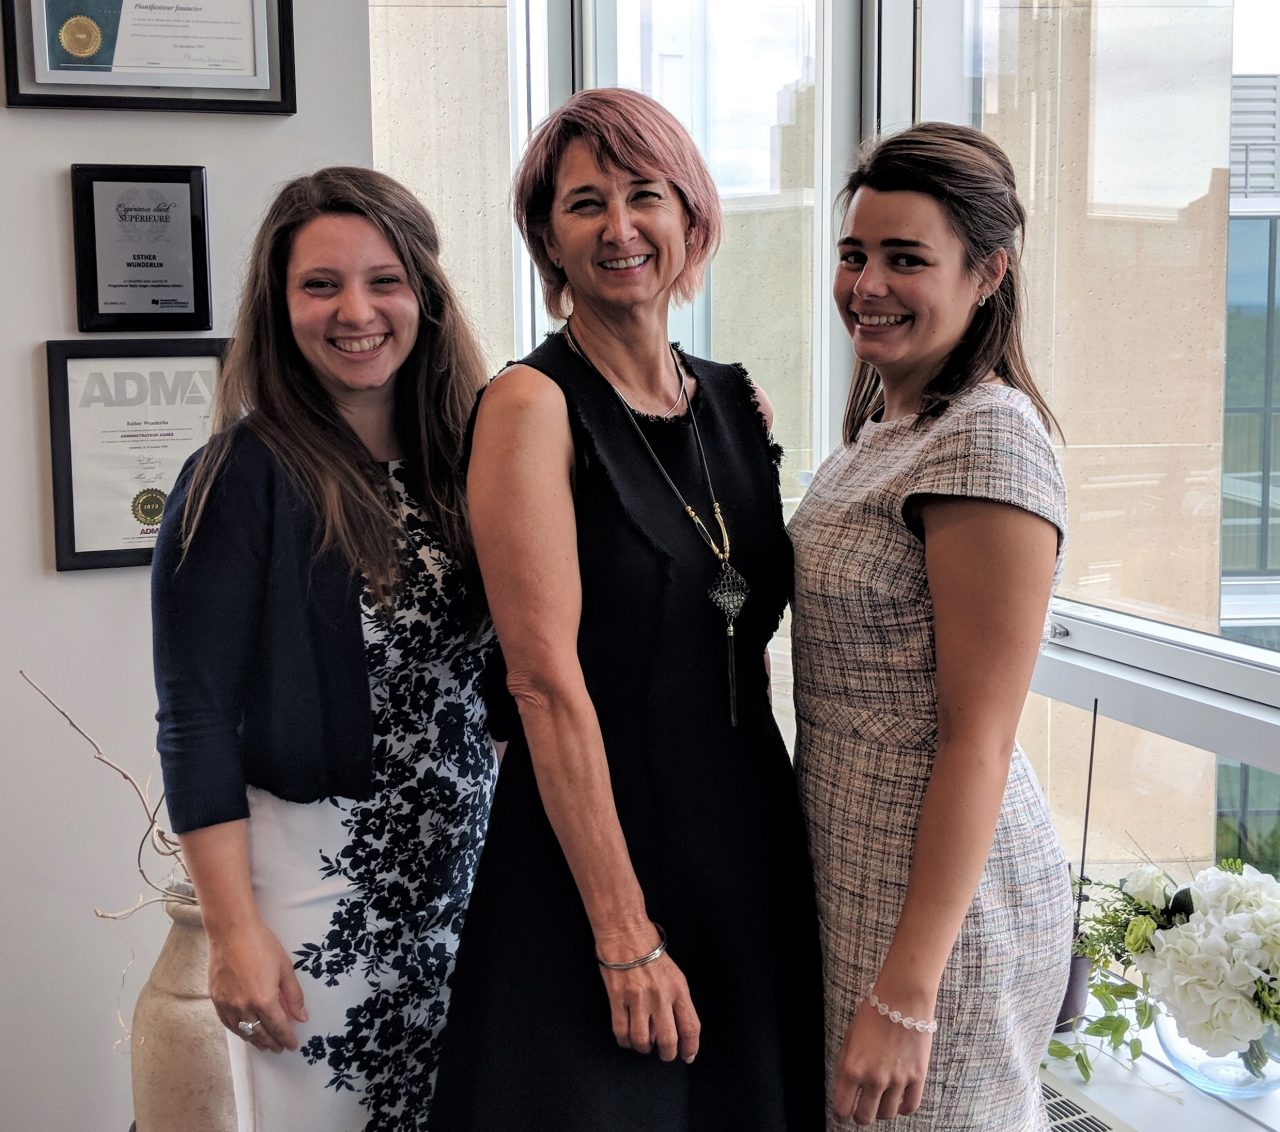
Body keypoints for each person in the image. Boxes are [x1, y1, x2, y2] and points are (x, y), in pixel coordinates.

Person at [429, 87, 824, 1131]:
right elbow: (541, 683)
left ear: (691, 217)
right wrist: (622, 930)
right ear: (547, 241)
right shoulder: (529, 406)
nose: (618, 228)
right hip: (596, 853)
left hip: (743, 836)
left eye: (644, 195)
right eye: (582, 203)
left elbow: (736, 629)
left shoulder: (736, 403)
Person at [151, 167, 499, 1130]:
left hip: (475, 882)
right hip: (316, 897)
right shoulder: (236, 478)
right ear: (280, 304)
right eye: (321, 285)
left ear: (424, 294)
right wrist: (232, 932)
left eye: (384, 280)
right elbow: (194, 721)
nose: (357, 311)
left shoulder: (472, 460)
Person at [789, 122, 1073, 1128]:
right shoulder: (888, 420)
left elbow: (978, 739)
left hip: (940, 908)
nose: (867, 283)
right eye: (854, 253)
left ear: (985, 272)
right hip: (855, 862)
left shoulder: (988, 438)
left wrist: (908, 987)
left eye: (906, 259)